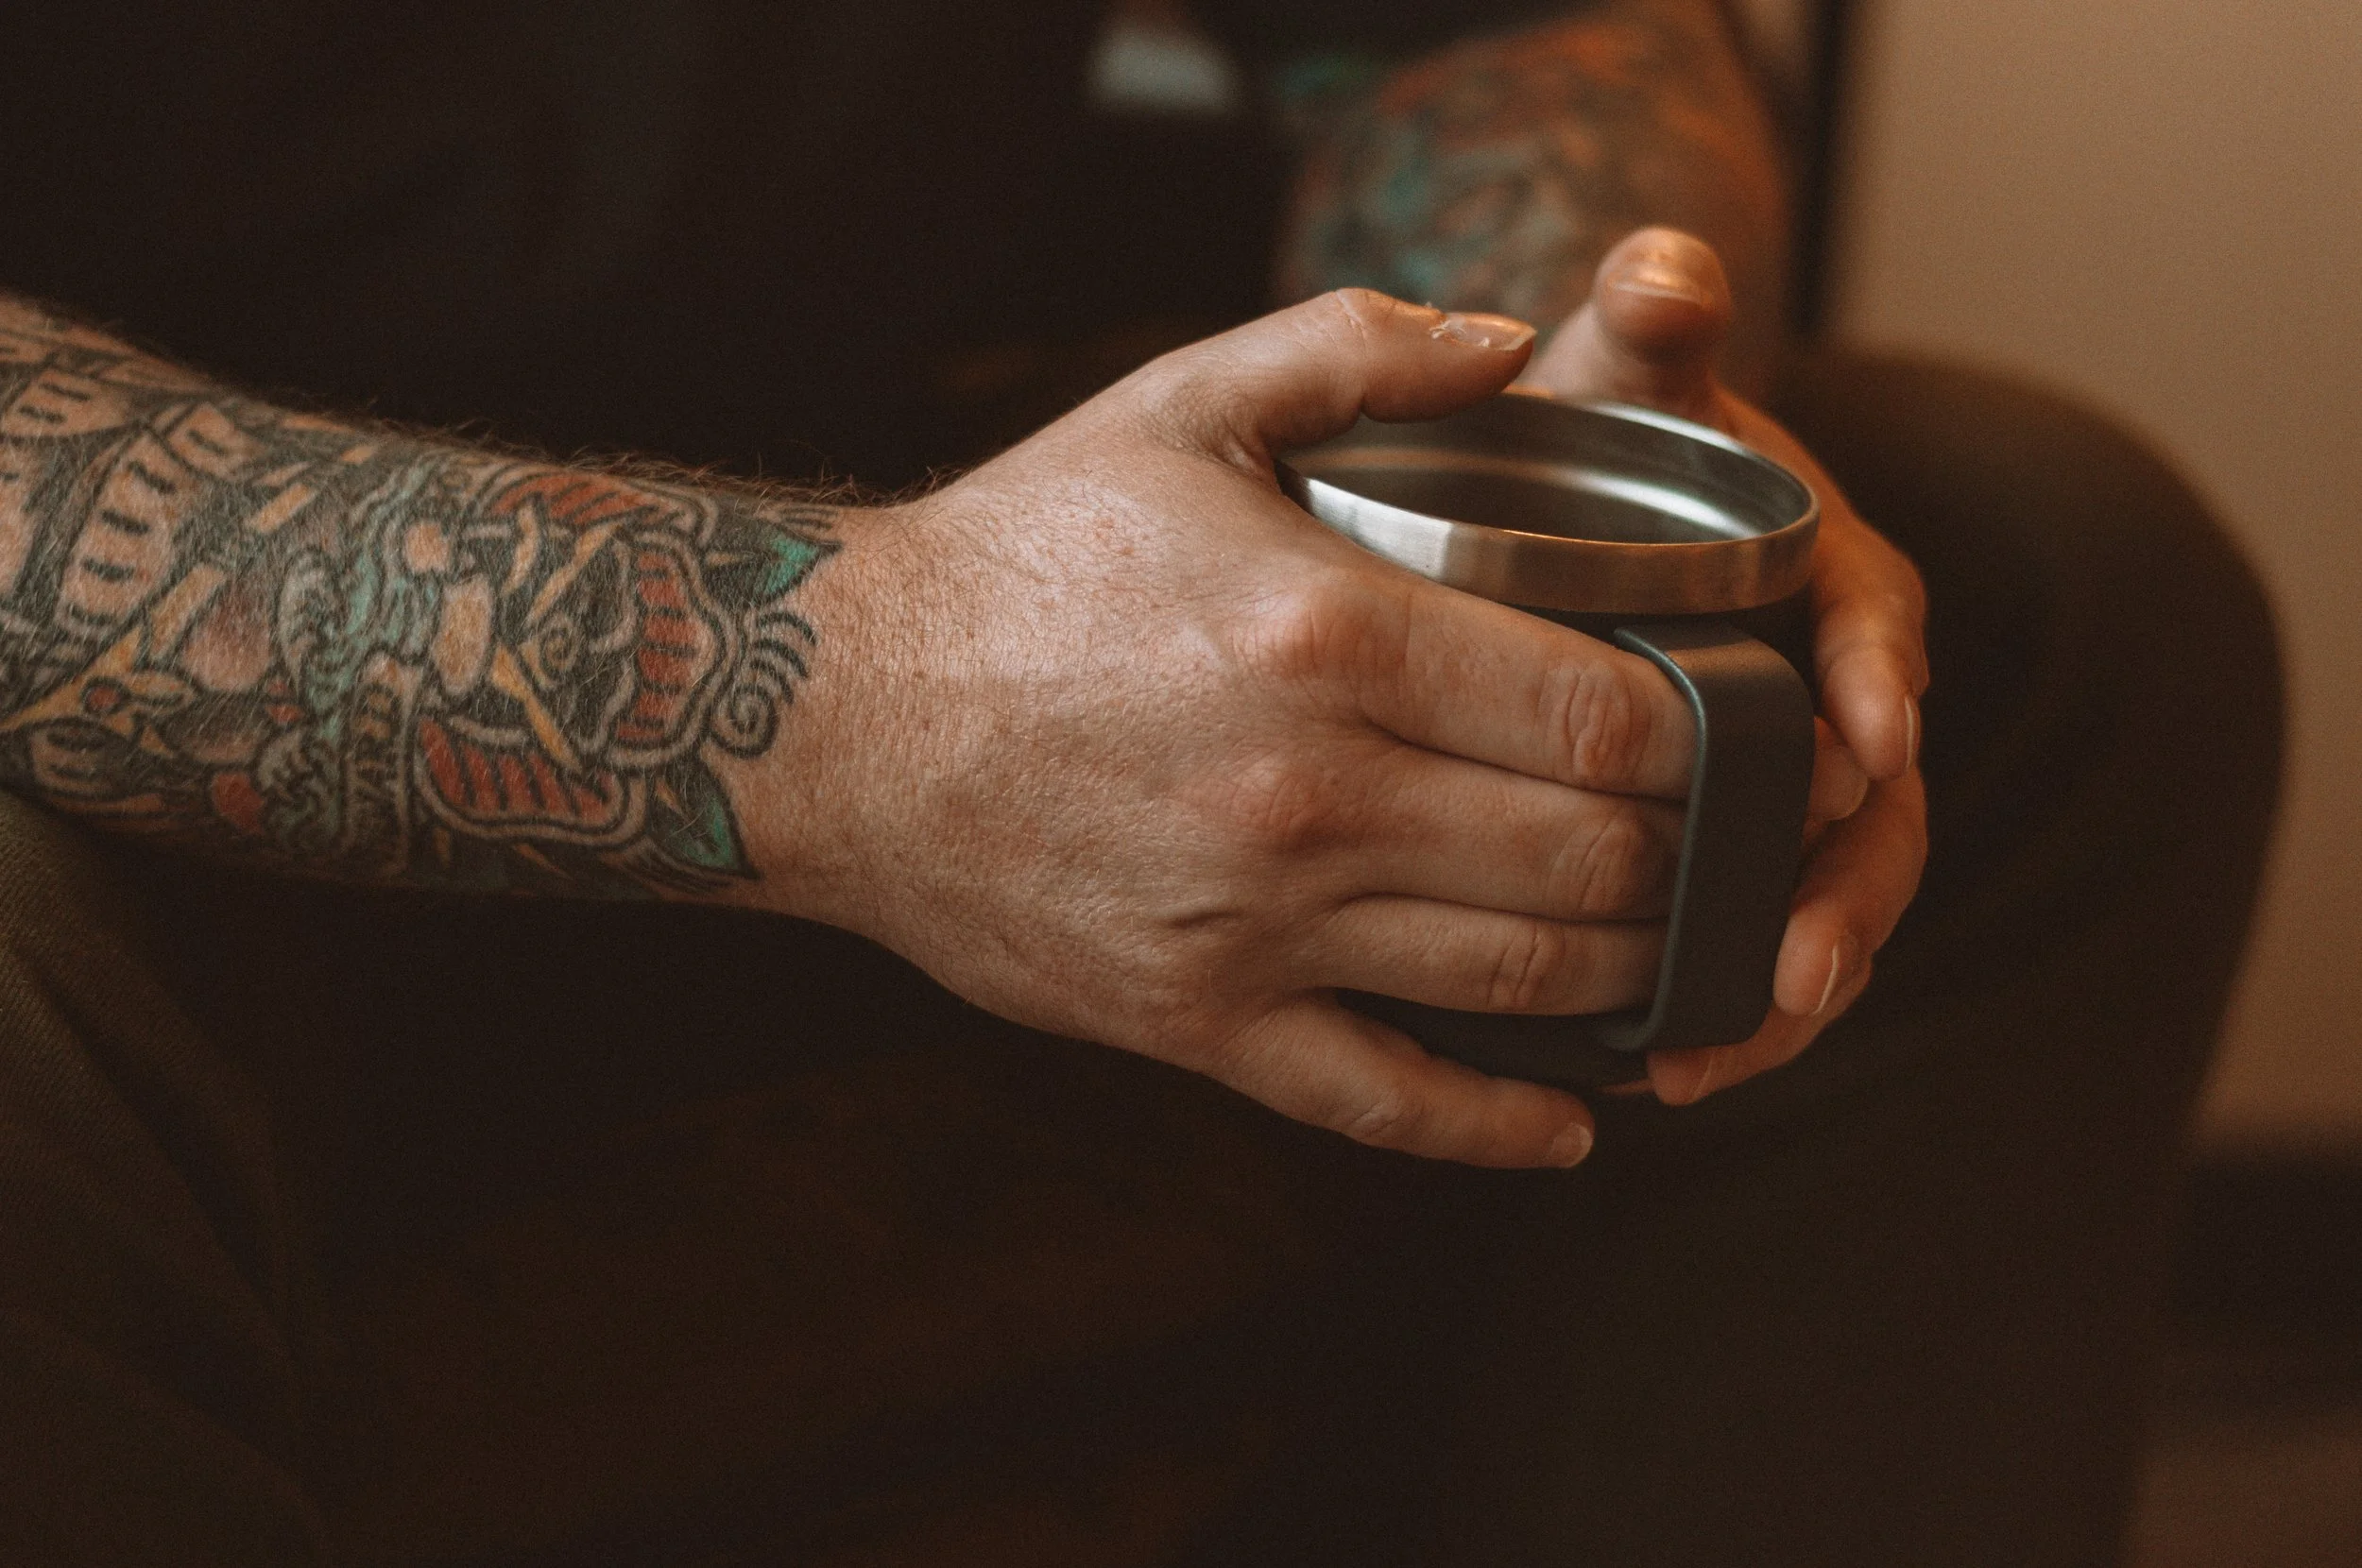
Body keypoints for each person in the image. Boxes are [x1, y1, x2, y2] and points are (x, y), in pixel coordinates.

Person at [0, 2, 2278, 1564]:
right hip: (91, 802)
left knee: (2033, 573)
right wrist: (866, 691)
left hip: (837, 463)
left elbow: (1500, 37)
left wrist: (1503, 470)